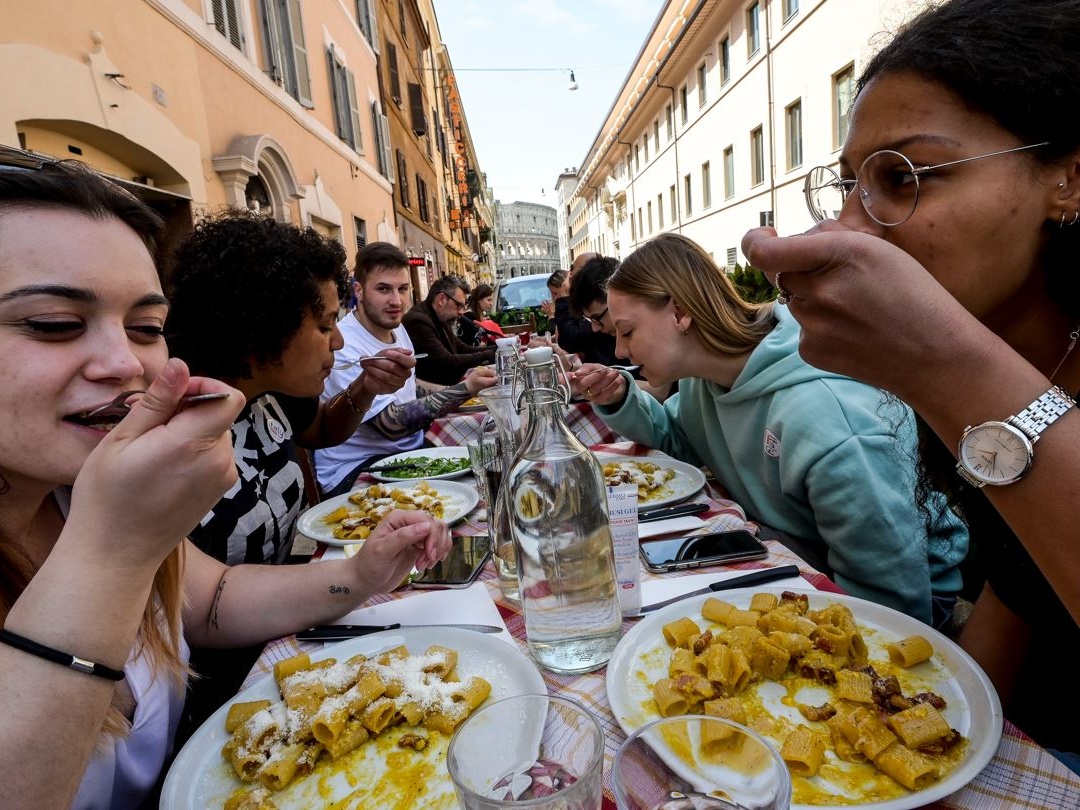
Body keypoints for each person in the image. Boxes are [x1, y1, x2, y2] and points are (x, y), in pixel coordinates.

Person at [0, 150, 450, 809]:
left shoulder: (76, 486)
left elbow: (211, 602)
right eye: (55, 324)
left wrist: (361, 575)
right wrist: (113, 552)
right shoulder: (118, 496)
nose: (125, 363)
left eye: (147, 327)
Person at [741, 0, 1080, 766]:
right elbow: (1016, 585)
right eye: (849, 187)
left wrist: (944, 366)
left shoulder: (967, 365)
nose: (854, 227)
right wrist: (938, 754)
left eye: (902, 177)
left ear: (1069, 177)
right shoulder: (1013, 350)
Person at [570, 232, 968, 628]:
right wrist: (620, 397)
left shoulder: (828, 419)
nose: (620, 352)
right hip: (789, 547)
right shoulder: (702, 380)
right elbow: (678, 439)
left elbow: (891, 601)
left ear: (679, 313)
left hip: (906, 597)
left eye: (627, 331)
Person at [165, 213, 415, 566]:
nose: (340, 340)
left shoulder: (271, 391)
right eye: (326, 324)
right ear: (267, 326)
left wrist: (366, 387)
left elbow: (324, 428)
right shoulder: (174, 435)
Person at [315, 242, 497, 497]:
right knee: (469, 488)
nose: (396, 300)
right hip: (355, 470)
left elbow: (412, 389)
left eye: (402, 289)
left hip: (407, 454)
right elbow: (390, 423)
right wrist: (464, 389)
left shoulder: (397, 329)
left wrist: (466, 387)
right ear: (359, 291)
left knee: (492, 457)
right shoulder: (345, 344)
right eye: (383, 289)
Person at [403, 275, 497, 385]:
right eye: (459, 305)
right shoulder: (417, 321)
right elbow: (446, 362)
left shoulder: (440, 316)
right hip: (434, 393)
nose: (462, 312)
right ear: (441, 299)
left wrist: (497, 348)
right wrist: (492, 354)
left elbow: (461, 348)